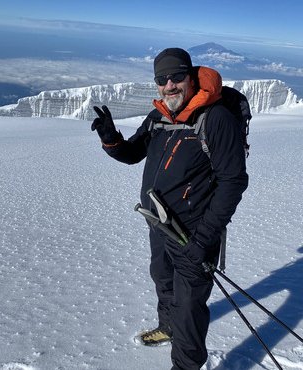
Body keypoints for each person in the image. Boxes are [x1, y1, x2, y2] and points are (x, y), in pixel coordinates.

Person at [91, 47, 248, 370]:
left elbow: (233, 183)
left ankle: (186, 365)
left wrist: (203, 241)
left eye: (177, 76)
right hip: (159, 223)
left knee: (189, 306)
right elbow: (133, 153)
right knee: (162, 278)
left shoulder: (215, 119)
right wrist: (111, 140)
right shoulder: (160, 116)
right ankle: (168, 327)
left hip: (193, 233)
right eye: (162, 79)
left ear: (190, 77)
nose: (169, 85)